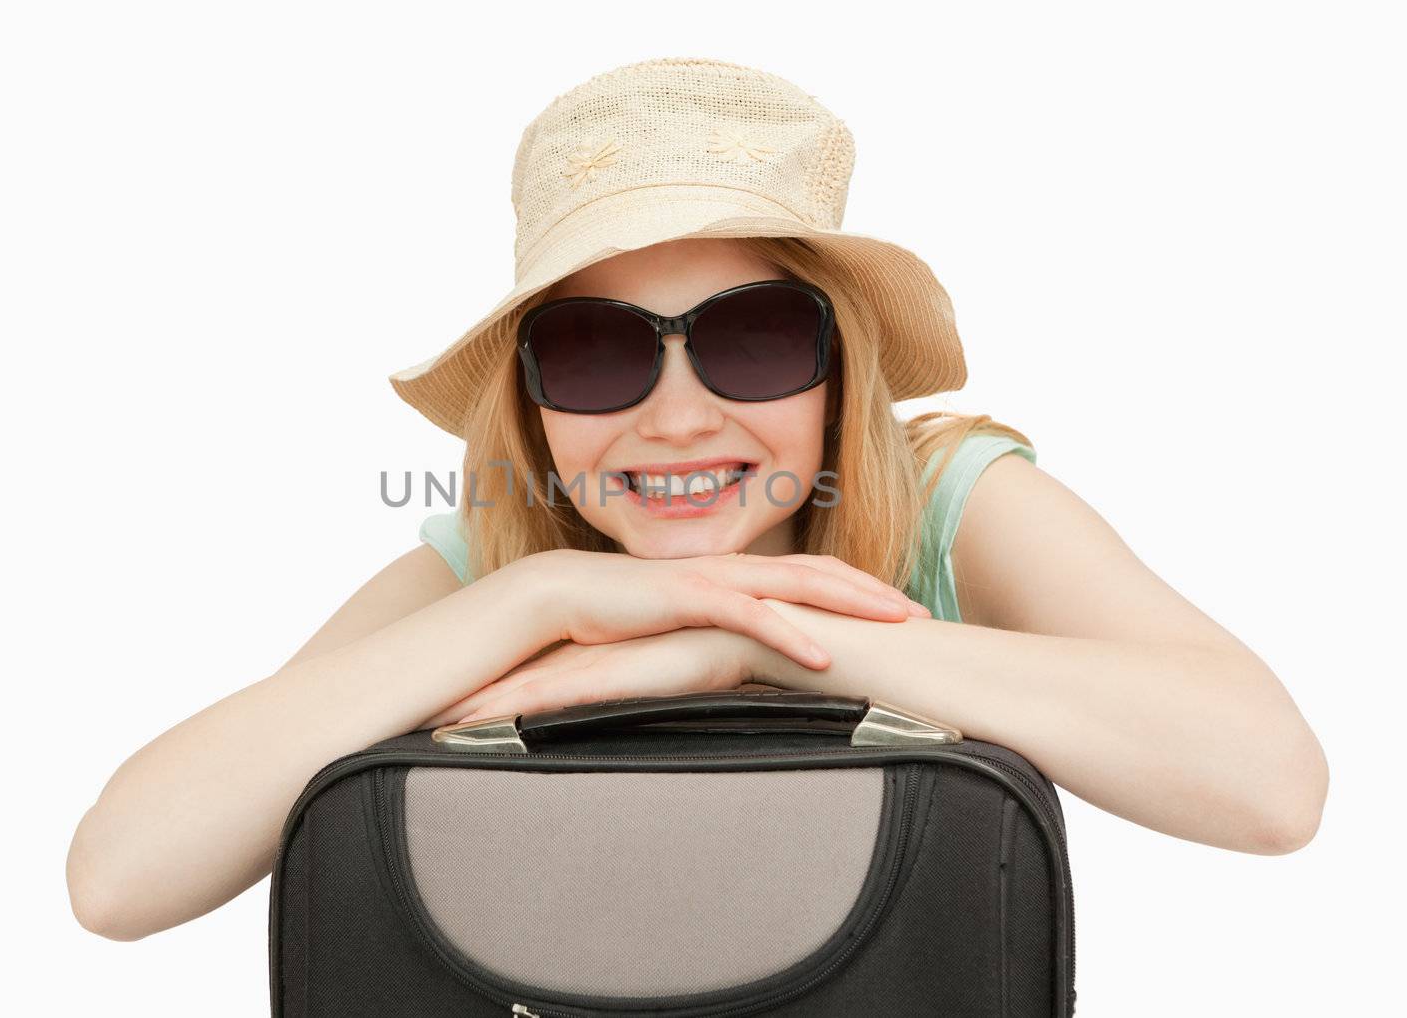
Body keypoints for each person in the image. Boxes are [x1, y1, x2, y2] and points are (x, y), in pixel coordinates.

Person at [66, 57, 1328, 943]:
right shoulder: (499, 553)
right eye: (600, 351)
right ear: (533, 402)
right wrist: (546, 591)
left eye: (755, 336)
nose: (674, 415)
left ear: (841, 370)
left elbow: (1270, 785)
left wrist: (742, 638)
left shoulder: (952, 499)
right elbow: (120, 877)